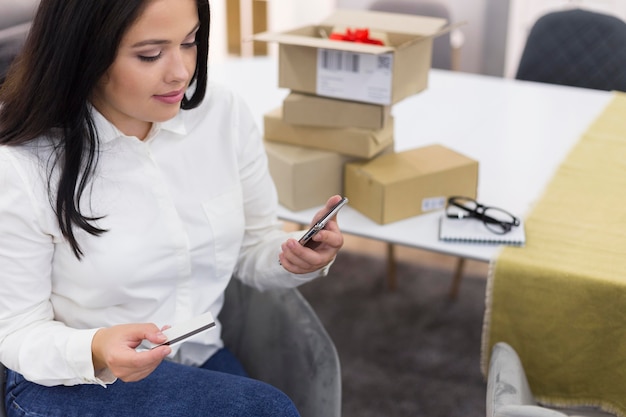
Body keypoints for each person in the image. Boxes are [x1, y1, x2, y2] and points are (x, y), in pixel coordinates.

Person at [0, 0, 344, 416]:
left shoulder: (223, 114)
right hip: (70, 377)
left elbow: (254, 244)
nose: (181, 71)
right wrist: (97, 347)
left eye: (190, 42)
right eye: (150, 54)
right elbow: (16, 332)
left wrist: (296, 256)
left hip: (195, 356)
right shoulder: (22, 164)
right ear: (85, 53)